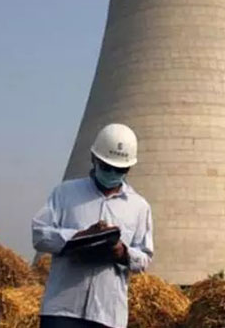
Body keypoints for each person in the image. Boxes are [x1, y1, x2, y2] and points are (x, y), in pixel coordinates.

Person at [32, 123, 153, 328]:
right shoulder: (65, 193)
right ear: (94, 158)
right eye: (106, 167)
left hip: (107, 314)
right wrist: (78, 237)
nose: (112, 173)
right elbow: (39, 234)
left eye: (119, 169)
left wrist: (122, 252)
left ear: (129, 168)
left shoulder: (139, 207)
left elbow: (145, 257)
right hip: (63, 310)